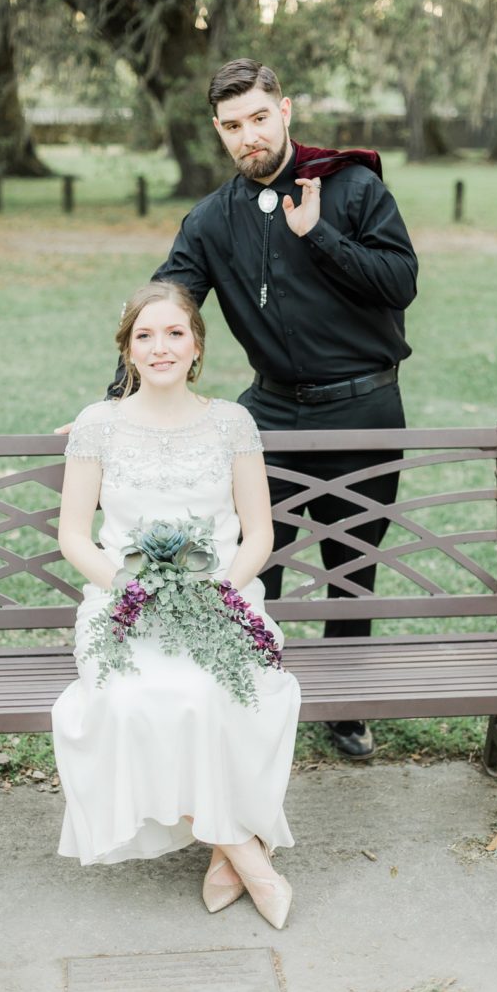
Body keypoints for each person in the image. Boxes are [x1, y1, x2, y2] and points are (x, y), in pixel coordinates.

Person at [103, 59, 418, 760]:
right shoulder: (212, 219)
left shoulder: (353, 187)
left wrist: (319, 235)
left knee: (351, 564)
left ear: (284, 110)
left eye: (258, 118)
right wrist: (114, 403)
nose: (248, 137)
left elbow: (400, 284)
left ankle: (345, 708)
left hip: (363, 407)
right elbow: (165, 310)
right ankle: (247, 692)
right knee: (248, 562)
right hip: (268, 415)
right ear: (218, 131)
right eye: (232, 126)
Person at [52, 280, 301, 930]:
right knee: (129, 702)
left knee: (222, 694)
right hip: (123, 605)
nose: (159, 347)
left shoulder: (231, 423)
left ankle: (226, 848)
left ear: (195, 346)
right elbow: (74, 535)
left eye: (173, 333)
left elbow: (260, 531)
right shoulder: (96, 426)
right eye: (144, 335)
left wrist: (218, 593)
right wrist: (129, 589)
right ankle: (244, 854)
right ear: (127, 350)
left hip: (221, 599)